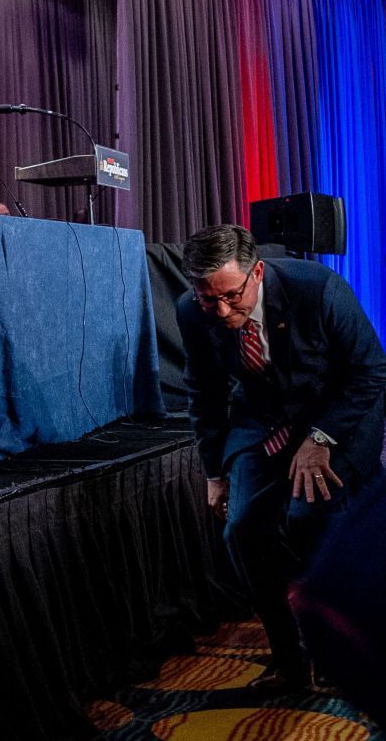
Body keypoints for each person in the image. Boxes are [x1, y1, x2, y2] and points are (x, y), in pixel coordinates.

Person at [175, 223, 386, 694]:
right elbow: (204, 395)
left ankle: (340, 652)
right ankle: (290, 663)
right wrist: (214, 473)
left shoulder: (319, 289)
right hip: (263, 420)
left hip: (338, 415)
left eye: (231, 296)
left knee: (308, 519)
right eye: (210, 300)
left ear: (257, 273)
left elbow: (371, 370)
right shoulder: (193, 311)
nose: (223, 311)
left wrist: (321, 438)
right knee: (242, 530)